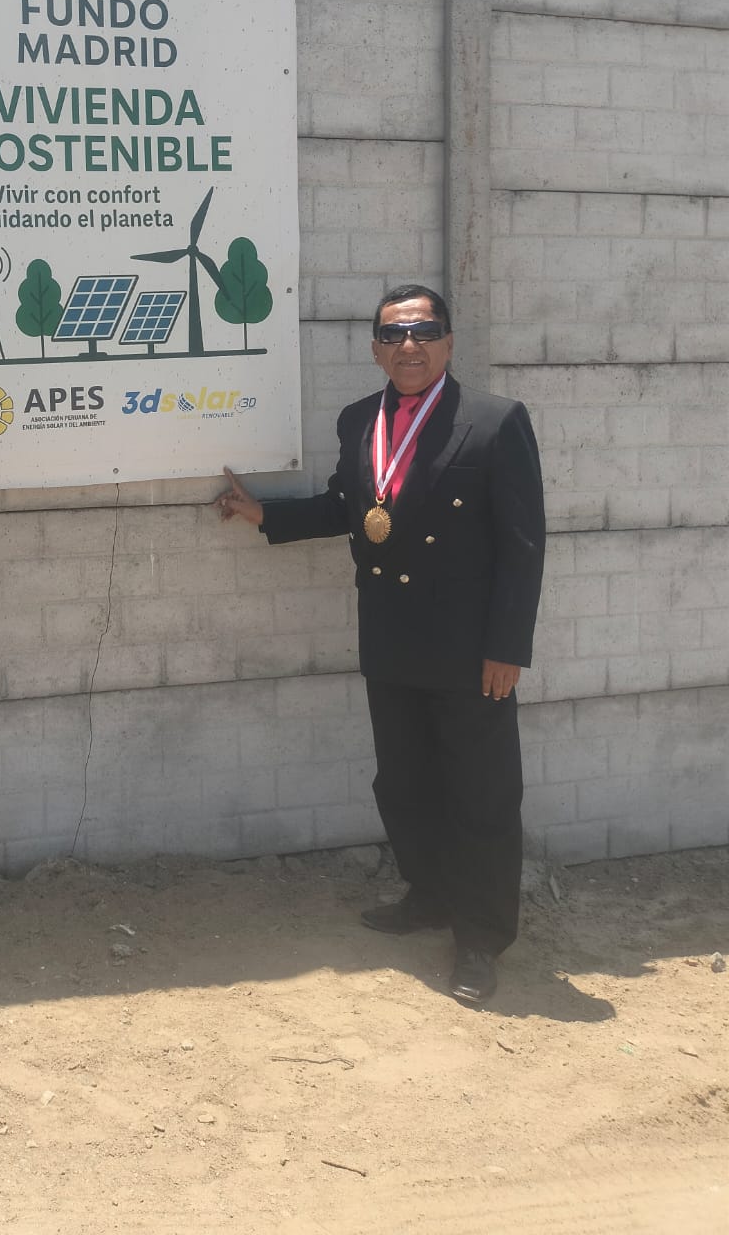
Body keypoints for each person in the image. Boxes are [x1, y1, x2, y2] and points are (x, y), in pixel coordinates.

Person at [217, 284, 545, 1004]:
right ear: (375, 349)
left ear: (449, 343)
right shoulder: (360, 420)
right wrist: (263, 513)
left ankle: (480, 938)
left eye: (424, 331)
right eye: (394, 335)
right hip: (391, 638)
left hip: (469, 651)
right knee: (403, 783)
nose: (409, 345)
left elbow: (523, 547)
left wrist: (507, 647)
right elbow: (347, 505)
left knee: (480, 797)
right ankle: (428, 896)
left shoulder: (494, 422)